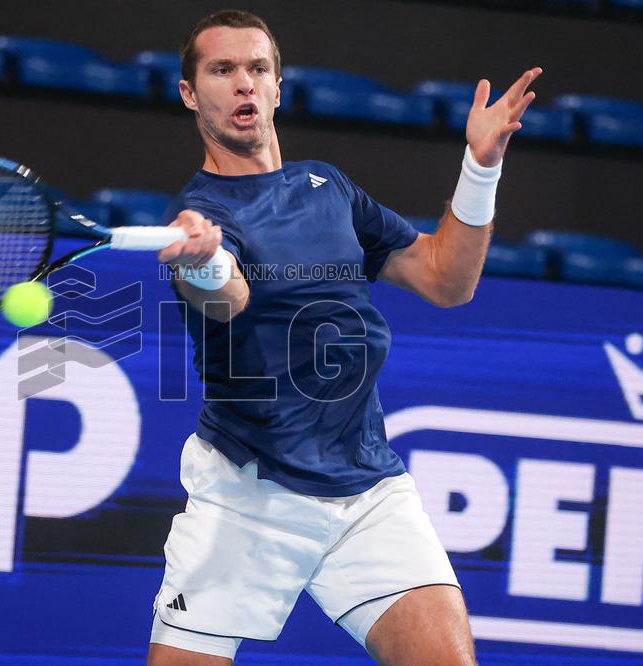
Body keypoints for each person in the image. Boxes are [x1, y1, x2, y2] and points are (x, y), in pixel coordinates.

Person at [150, 9, 541, 666]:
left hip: (367, 493)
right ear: (191, 92)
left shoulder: (327, 188)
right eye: (223, 70)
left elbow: (447, 278)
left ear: (278, 86)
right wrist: (205, 261)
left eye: (258, 69)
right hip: (249, 498)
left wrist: (480, 168)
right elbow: (226, 300)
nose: (244, 84)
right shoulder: (203, 213)